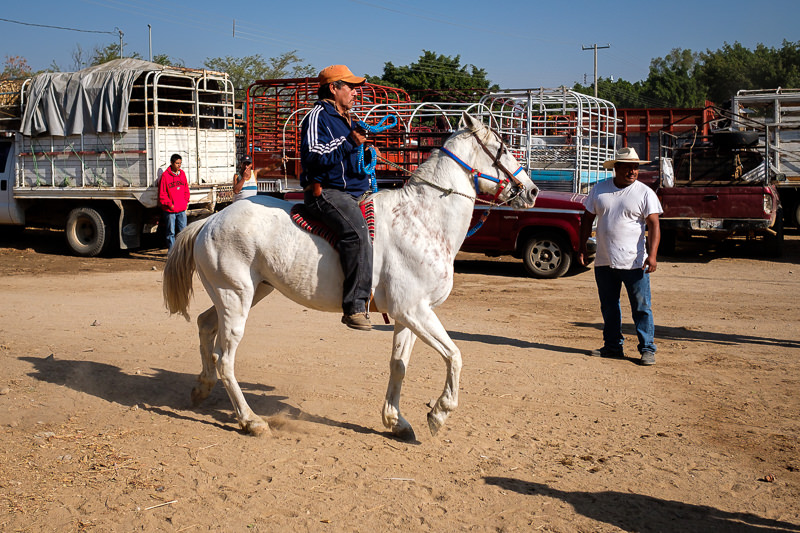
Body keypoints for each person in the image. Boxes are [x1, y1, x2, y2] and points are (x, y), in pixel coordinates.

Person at [300, 64, 372, 331]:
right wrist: (350, 143)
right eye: (350, 87)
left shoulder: (348, 118)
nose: (355, 92)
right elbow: (315, 156)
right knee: (357, 232)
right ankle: (355, 306)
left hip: (354, 191)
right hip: (326, 192)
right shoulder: (317, 116)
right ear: (334, 88)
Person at [578, 147, 663, 366]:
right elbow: (587, 219)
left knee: (641, 308)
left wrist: (652, 256)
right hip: (604, 261)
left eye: (635, 167)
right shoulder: (600, 190)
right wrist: (581, 247)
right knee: (609, 306)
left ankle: (647, 349)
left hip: (635, 263)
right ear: (616, 168)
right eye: (628, 167)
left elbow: (654, 225)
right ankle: (613, 346)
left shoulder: (645, 193)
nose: (633, 171)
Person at [159, 153, 190, 251]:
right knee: (170, 233)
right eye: (177, 163)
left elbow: (186, 189)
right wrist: (170, 205)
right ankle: (172, 253)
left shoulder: (182, 174)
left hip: (181, 209)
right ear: (171, 163)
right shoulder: (165, 176)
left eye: (180, 163)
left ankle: (183, 253)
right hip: (170, 211)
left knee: (183, 232)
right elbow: (162, 194)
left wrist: (185, 201)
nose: (179, 165)